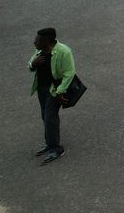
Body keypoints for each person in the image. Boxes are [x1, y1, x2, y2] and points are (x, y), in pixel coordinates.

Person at [28, 27, 75, 164]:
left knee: (50, 117)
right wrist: (33, 64)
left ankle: (56, 147)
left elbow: (69, 73)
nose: (34, 42)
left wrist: (60, 92)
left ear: (47, 41)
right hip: (41, 89)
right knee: (45, 115)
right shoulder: (40, 50)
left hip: (55, 91)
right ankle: (50, 143)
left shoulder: (64, 51)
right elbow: (30, 64)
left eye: (37, 40)